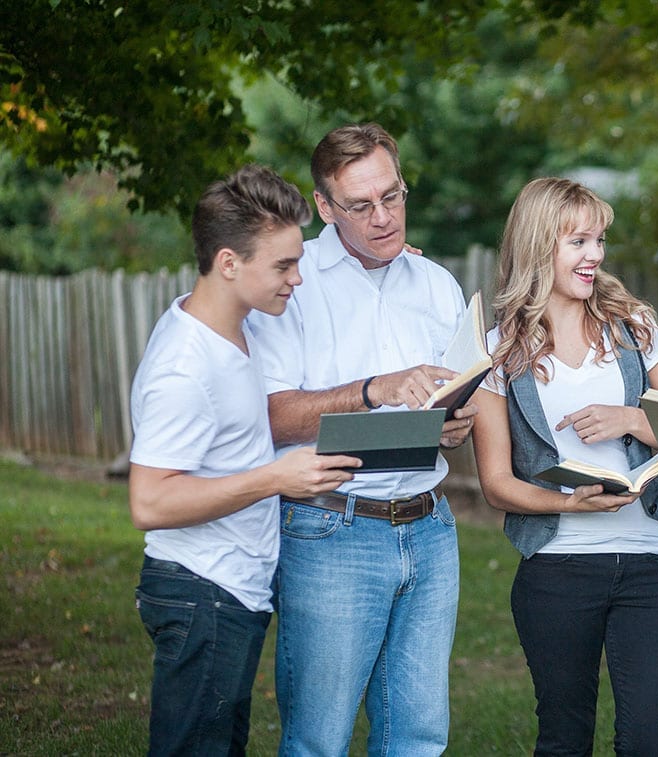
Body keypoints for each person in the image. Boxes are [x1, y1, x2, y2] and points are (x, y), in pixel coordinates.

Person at [246, 123, 477, 756]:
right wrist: (374, 388)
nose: (384, 217)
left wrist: (453, 423)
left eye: (393, 196)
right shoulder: (292, 282)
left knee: (418, 737)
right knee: (319, 739)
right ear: (324, 207)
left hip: (430, 527)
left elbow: (451, 401)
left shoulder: (437, 284)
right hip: (330, 529)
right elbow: (269, 415)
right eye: (360, 205)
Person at [129, 164, 361, 755]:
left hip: (231, 589)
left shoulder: (236, 323)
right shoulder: (184, 366)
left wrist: (387, 256)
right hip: (201, 589)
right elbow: (150, 501)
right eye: (284, 266)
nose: (298, 278)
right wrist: (275, 479)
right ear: (229, 263)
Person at [470, 177, 658, 755]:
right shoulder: (497, 352)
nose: (595, 255)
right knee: (564, 737)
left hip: (651, 567)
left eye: (599, 241)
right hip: (556, 570)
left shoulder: (635, 327)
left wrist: (633, 420)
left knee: (649, 740)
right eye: (579, 242)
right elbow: (496, 484)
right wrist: (569, 502)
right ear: (540, 246)